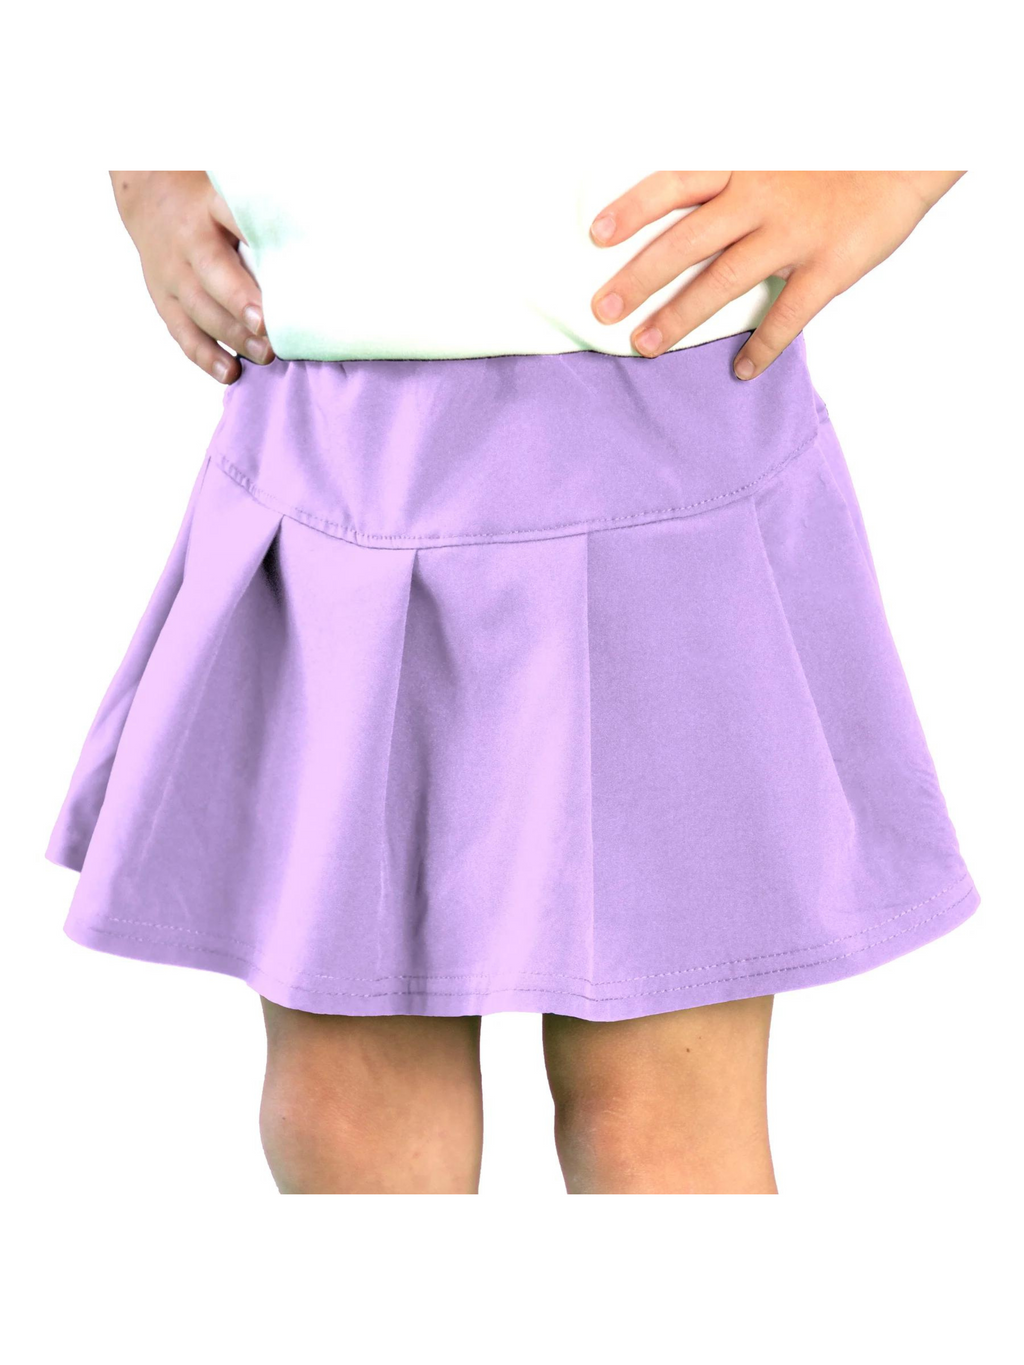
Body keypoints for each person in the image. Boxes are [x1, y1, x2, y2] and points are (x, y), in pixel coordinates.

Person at [46, 167, 977, 1194]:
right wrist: (146, 173)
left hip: (656, 403)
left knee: (653, 1125)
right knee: (346, 1112)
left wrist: (891, 170)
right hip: (325, 398)